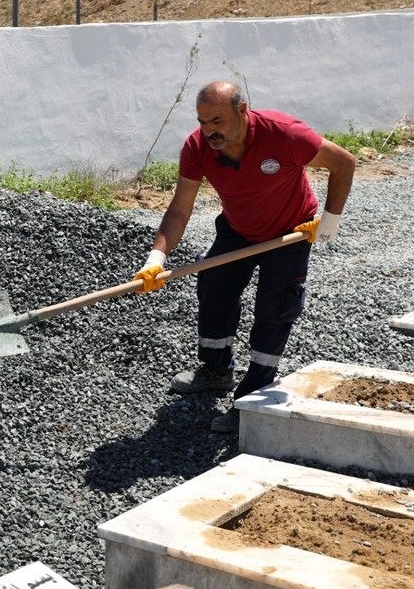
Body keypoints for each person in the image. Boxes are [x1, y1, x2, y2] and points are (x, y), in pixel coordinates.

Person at [133, 80, 356, 432]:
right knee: (214, 289)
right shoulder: (197, 146)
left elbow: (344, 162)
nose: (209, 131)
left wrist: (329, 223)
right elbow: (179, 209)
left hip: (289, 233)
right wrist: (156, 258)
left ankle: (254, 394)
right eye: (203, 122)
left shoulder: (284, 134)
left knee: (276, 307)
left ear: (242, 111)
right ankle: (216, 370)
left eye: (217, 121)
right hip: (238, 228)